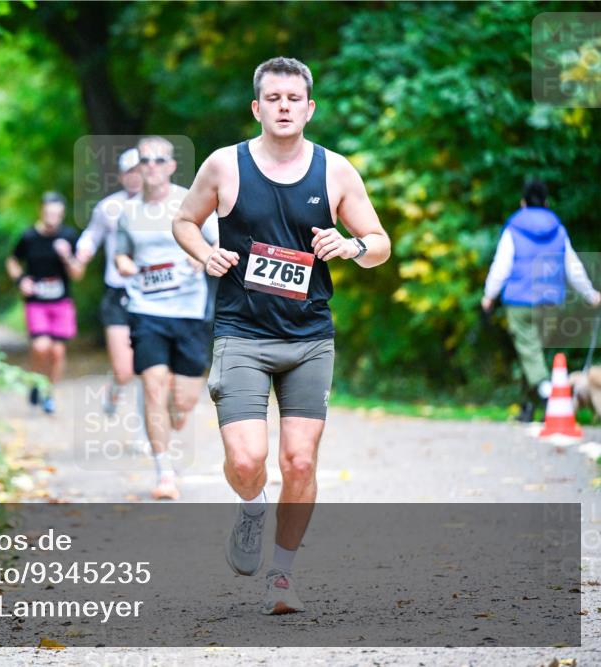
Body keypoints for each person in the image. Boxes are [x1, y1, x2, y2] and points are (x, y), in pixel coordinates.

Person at [172, 57, 391, 614]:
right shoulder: (225, 166)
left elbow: (380, 241)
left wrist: (353, 246)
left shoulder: (336, 171)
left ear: (310, 108)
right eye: (274, 98)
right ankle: (250, 507)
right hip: (242, 333)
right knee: (248, 461)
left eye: (294, 98)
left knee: (299, 462)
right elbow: (183, 221)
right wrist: (206, 254)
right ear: (257, 107)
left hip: (309, 337)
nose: (285, 106)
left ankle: (283, 575)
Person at [116, 136, 219, 501]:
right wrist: (126, 266)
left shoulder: (189, 202)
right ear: (138, 168)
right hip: (147, 311)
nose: (153, 166)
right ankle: (164, 472)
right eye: (146, 161)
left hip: (189, 312)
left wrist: (201, 256)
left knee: (184, 402)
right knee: (153, 386)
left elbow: (219, 243)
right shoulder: (127, 212)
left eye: (160, 160)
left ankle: (173, 422)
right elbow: (120, 255)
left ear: (172, 166)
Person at [481, 178, 601, 422]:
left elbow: (501, 266)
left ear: (523, 202)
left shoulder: (514, 228)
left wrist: (489, 295)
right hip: (550, 302)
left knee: (529, 352)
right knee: (533, 353)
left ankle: (550, 395)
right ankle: (527, 409)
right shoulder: (558, 229)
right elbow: (573, 266)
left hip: (519, 300)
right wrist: (590, 294)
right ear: (546, 202)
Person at [76, 148, 144, 415]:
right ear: (121, 175)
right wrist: (83, 252)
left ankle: (147, 433)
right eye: (129, 171)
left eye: (139, 170)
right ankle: (115, 385)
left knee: (151, 369)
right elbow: (91, 236)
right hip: (117, 292)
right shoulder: (108, 207)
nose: (135, 177)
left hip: (153, 293)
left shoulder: (165, 206)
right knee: (125, 371)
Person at [6, 192, 84, 415]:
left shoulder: (68, 236)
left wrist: (67, 256)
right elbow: (12, 260)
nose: (53, 218)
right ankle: (36, 380)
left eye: (58, 214)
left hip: (61, 301)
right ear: (42, 211)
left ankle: (49, 393)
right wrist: (21, 280)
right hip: (36, 301)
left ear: (62, 215)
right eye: (50, 213)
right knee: (41, 347)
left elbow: (78, 273)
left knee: (57, 351)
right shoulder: (29, 236)